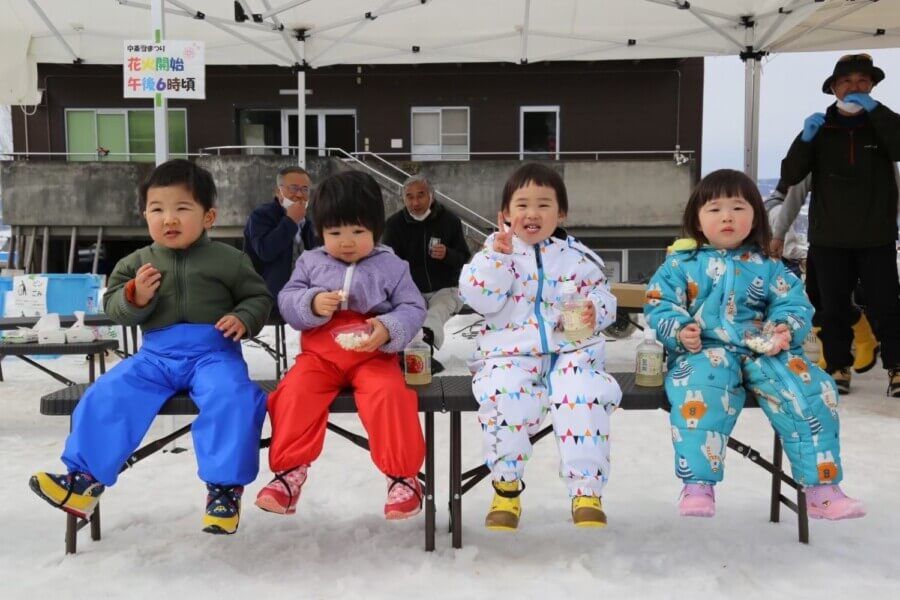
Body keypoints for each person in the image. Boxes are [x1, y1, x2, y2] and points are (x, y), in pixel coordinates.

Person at [30, 159, 273, 535]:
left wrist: (243, 317)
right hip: (156, 356)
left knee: (233, 397)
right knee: (109, 393)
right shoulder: (136, 263)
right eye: (157, 209)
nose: (168, 219)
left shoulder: (230, 259)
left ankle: (224, 491)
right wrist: (135, 296)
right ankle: (83, 482)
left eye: (182, 208)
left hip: (214, 354)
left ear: (208, 217)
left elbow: (258, 297)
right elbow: (114, 306)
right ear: (144, 215)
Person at [644, 168, 865, 521]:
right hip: (705, 350)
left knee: (811, 388)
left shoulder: (769, 266)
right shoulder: (681, 265)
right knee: (701, 389)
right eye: (715, 209)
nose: (727, 217)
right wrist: (681, 329)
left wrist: (783, 329)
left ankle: (822, 488)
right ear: (698, 220)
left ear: (755, 218)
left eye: (738, 208)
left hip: (763, 349)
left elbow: (794, 304)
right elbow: (659, 303)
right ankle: (697, 484)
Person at [458, 163, 622, 530]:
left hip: (572, 353)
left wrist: (595, 309)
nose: (532, 213)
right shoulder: (493, 253)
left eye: (544, 205)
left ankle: (586, 491)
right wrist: (497, 259)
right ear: (505, 214)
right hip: (510, 354)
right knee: (506, 397)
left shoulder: (577, 257)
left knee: (583, 395)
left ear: (561, 213)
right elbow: (479, 299)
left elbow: (604, 296)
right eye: (522, 205)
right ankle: (506, 487)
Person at [256, 171, 428, 521]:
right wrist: (311, 302)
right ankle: (289, 473)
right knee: (293, 393)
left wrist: (388, 328)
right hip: (319, 357)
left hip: (373, 356)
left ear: (376, 229)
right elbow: (287, 298)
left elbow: (413, 307)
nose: (346, 242)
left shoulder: (392, 266)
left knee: (390, 395)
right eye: (335, 233)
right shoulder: (310, 262)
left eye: (358, 232)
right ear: (321, 230)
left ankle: (403, 476)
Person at [781, 53, 900, 397]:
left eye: (862, 80)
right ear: (833, 88)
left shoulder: (882, 123)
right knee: (831, 308)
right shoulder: (821, 127)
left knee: (887, 305)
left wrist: (878, 112)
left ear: (872, 86)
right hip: (829, 237)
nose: (854, 87)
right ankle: (837, 366)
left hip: (876, 235)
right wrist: (804, 139)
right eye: (846, 81)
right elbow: (791, 174)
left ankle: (896, 367)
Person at [767, 177, 880, 381]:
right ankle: (844, 349)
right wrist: (804, 255)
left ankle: (833, 357)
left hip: (777, 267)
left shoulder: (767, 206)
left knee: (824, 304)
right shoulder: (779, 212)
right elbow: (788, 248)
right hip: (791, 266)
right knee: (824, 303)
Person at [382, 175, 471, 372]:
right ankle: (412, 354)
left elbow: (464, 258)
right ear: (403, 198)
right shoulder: (394, 225)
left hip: (445, 287)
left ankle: (423, 348)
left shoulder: (450, 221)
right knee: (411, 310)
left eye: (420, 195)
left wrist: (447, 254)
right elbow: (387, 263)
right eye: (409, 196)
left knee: (437, 310)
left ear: (431, 196)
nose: (415, 202)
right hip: (411, 288)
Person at [244, 166, 318, 306]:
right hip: (269, 300)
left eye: (305, 189)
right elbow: (265, 251)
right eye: (293, 188)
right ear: (278, 192)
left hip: (301, 298)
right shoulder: (261, 215)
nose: (299, 195)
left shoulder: (306, 221)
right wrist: (290, 220)